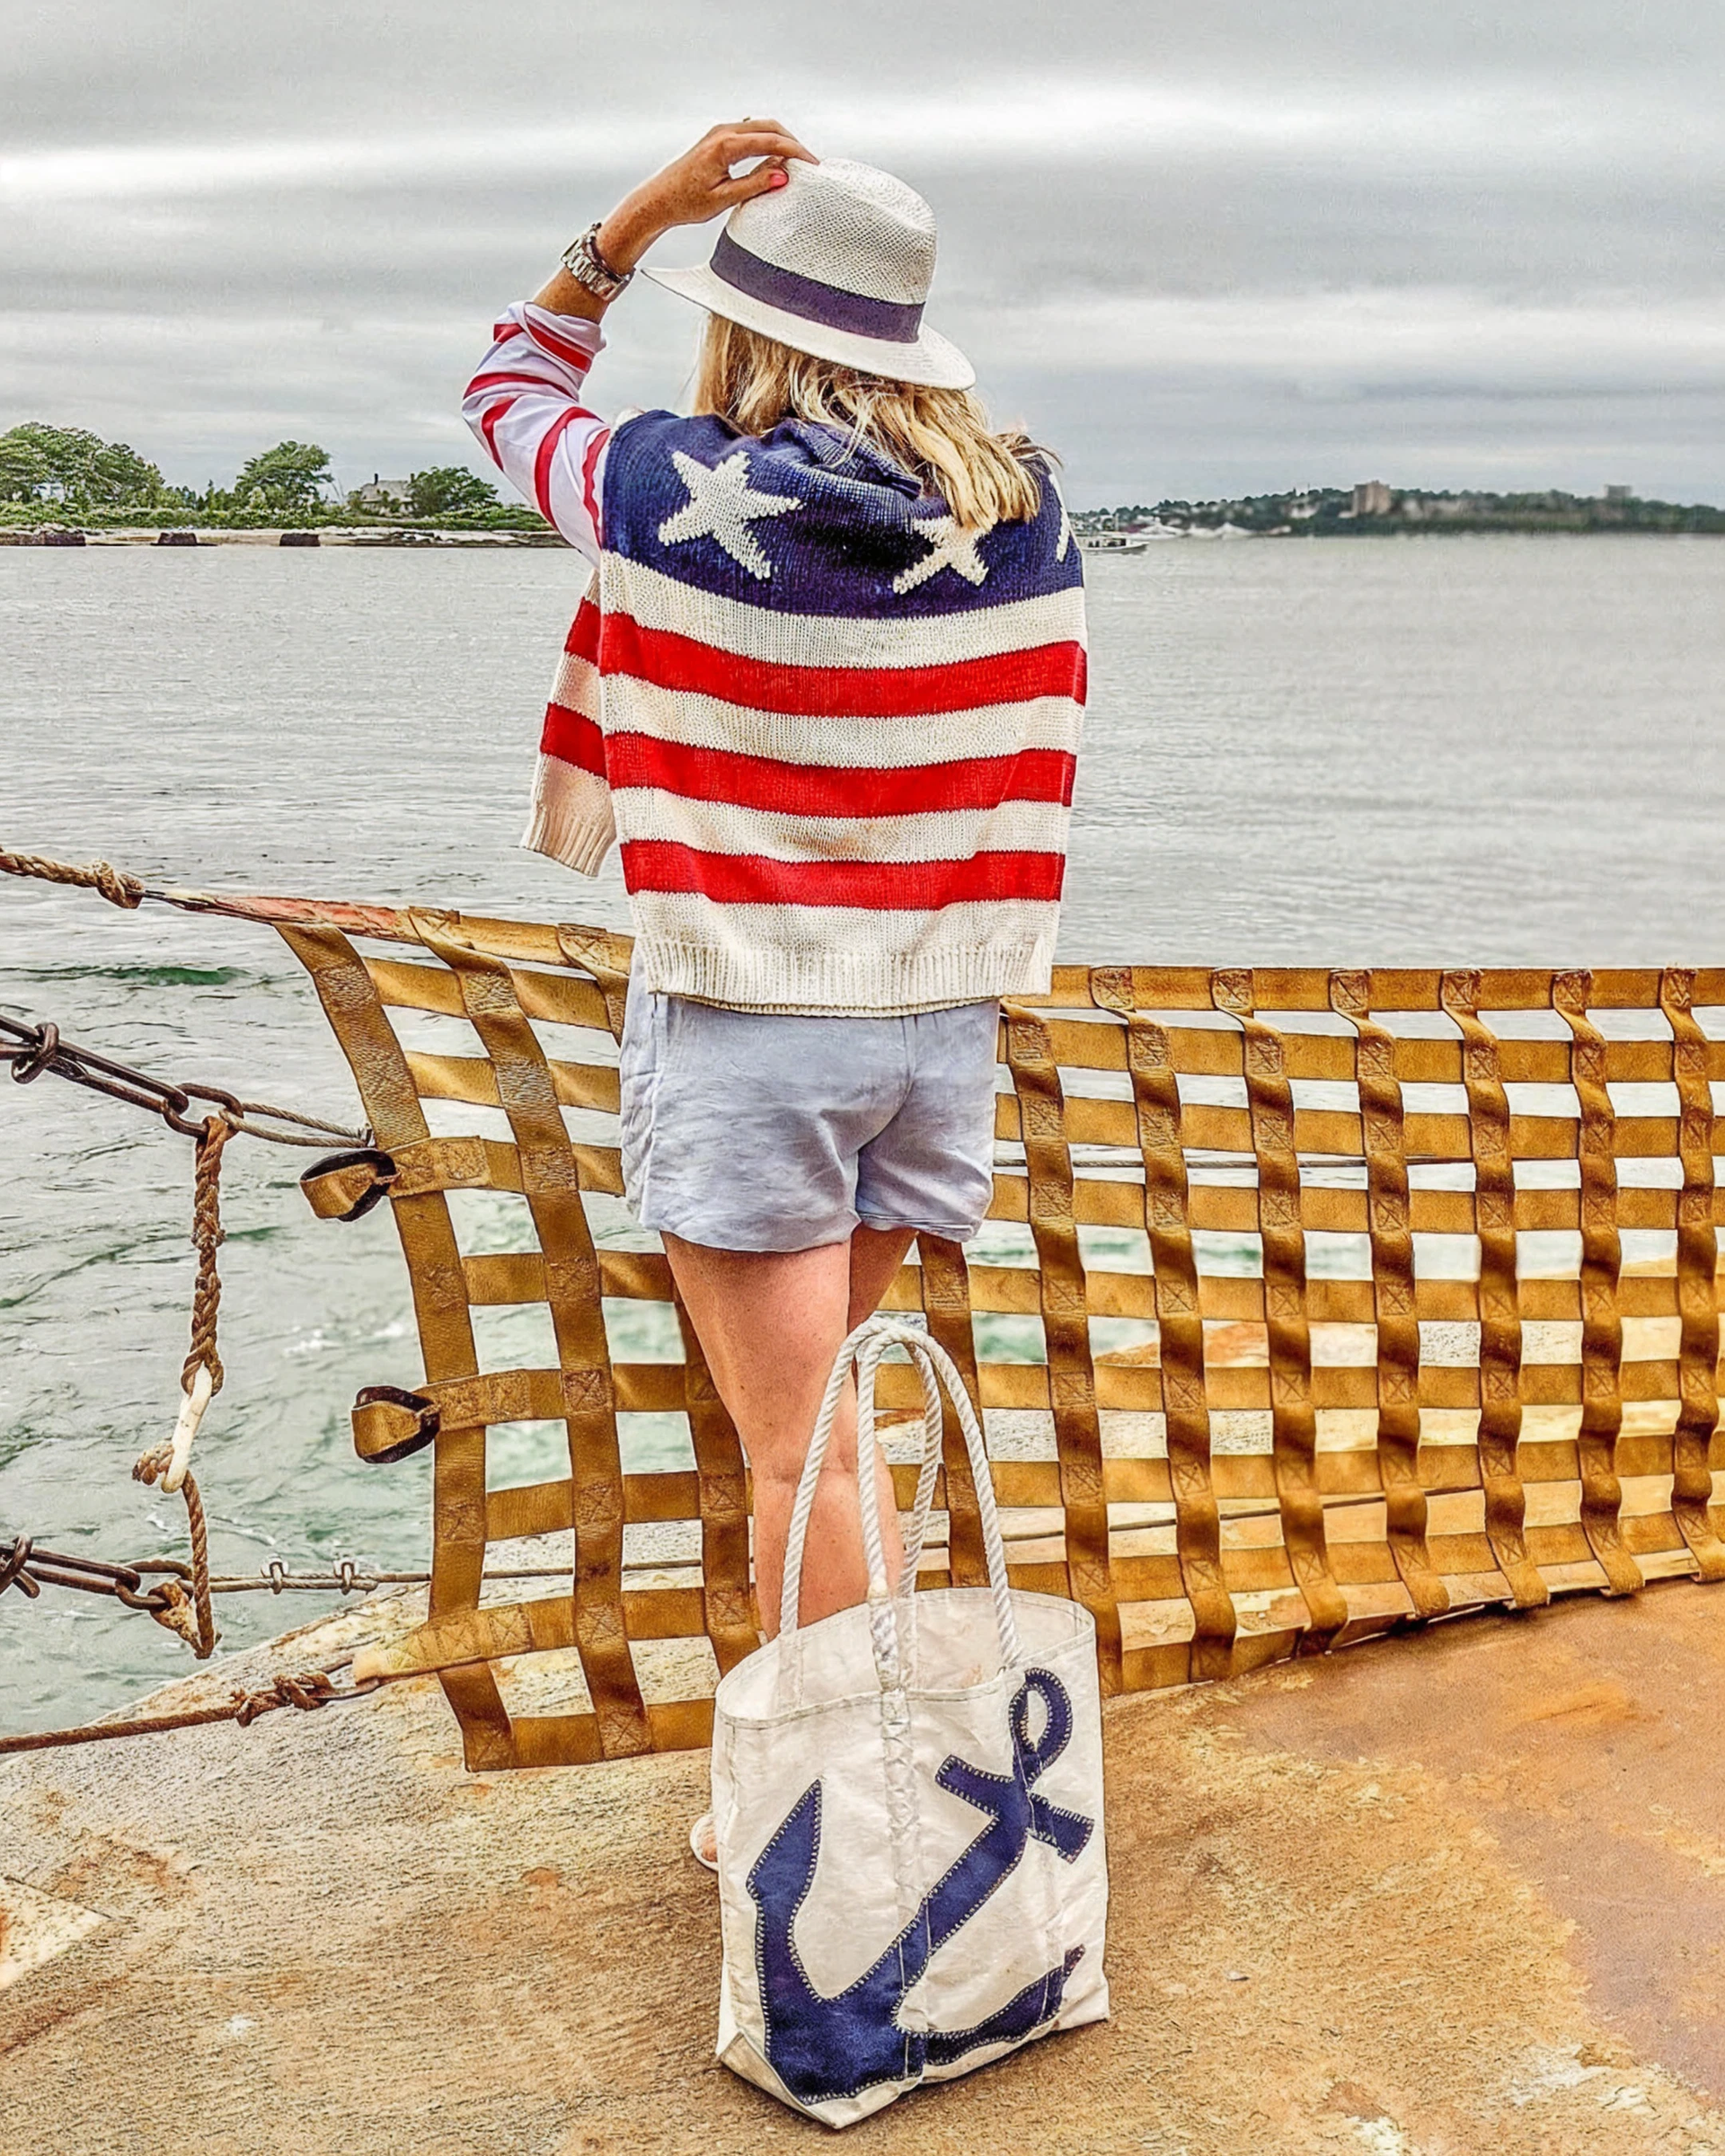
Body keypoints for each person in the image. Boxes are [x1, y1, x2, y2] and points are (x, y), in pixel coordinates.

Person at [463, 123, 1086, 1858]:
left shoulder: (663, 487)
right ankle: (868, 1753)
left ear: (750, 328)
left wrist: (639, 221)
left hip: (750, 1022)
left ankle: (840, 1802)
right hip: (935, 1029)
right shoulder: (1022, 509)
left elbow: (503, 381)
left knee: (795, 1445)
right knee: (842, 1424)